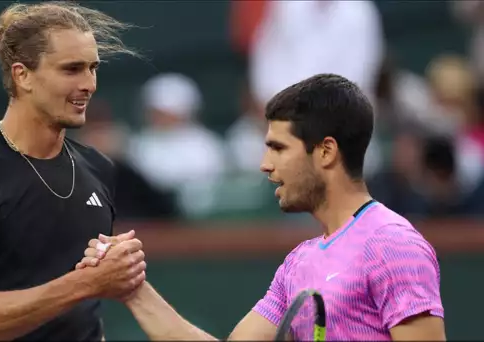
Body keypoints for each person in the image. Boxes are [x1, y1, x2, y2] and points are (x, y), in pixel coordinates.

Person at [78, 74, 447, 340]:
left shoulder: (392, 244)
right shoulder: (298, 264)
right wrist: (132, 288)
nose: (265, 164)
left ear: (325, 151)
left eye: (278, 148)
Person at [0, 2, 146, 341]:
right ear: (22, 75)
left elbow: (83, 316)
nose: (89, 84)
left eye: (93, 68)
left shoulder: (98, 168)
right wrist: (85, 283)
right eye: (71, 69)